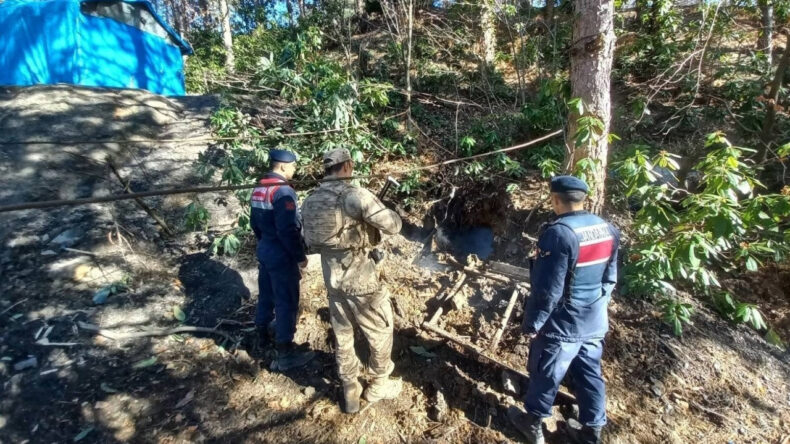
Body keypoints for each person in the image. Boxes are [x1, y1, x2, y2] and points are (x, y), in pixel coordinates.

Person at [508, 176, 620, 444]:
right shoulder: (607, 229)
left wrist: (533, 324)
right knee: (589, 374)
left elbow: (548, 289)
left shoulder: (558, 234)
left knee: (547, 372)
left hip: (563, 323)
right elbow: (610, 279)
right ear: (583, 198)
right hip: (594, 320)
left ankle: (532, 423)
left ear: (555, 199)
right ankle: (591, 431)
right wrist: (596, 307)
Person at [301, 148, 403, 414]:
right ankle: (379, 384)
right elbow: (393, 226)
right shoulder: (355, 195)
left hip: (331, 278)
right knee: (380, 330)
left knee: (343, 334)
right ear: (347, 166)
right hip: (360, 278)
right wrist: (386, 211)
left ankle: (349, 387)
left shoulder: (311, 200)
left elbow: (308, 239)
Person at [250, 149, 315, 371]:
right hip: (281, 253)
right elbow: (287, 229)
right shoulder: (283, 191)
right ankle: (285, 352)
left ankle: (261, 336)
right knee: (286, 301)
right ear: (284, 166)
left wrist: (264, 243)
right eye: (293, 166)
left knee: (266, 294)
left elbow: (254, 223)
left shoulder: (260, 187)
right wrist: (299, 257)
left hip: (265, 249)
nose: (294, 170)